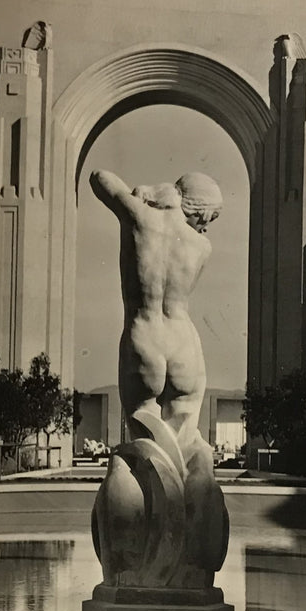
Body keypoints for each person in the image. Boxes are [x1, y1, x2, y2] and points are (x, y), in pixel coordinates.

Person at [89, 169, 222, 463]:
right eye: (209, 218)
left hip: (144, 335)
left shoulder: (138, 216)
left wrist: (146, 192)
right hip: (184, 343)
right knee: (185, 446)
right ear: (199, 211)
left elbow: (100, 177)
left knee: (146, 448)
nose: (205, 227)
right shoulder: (202, 247)